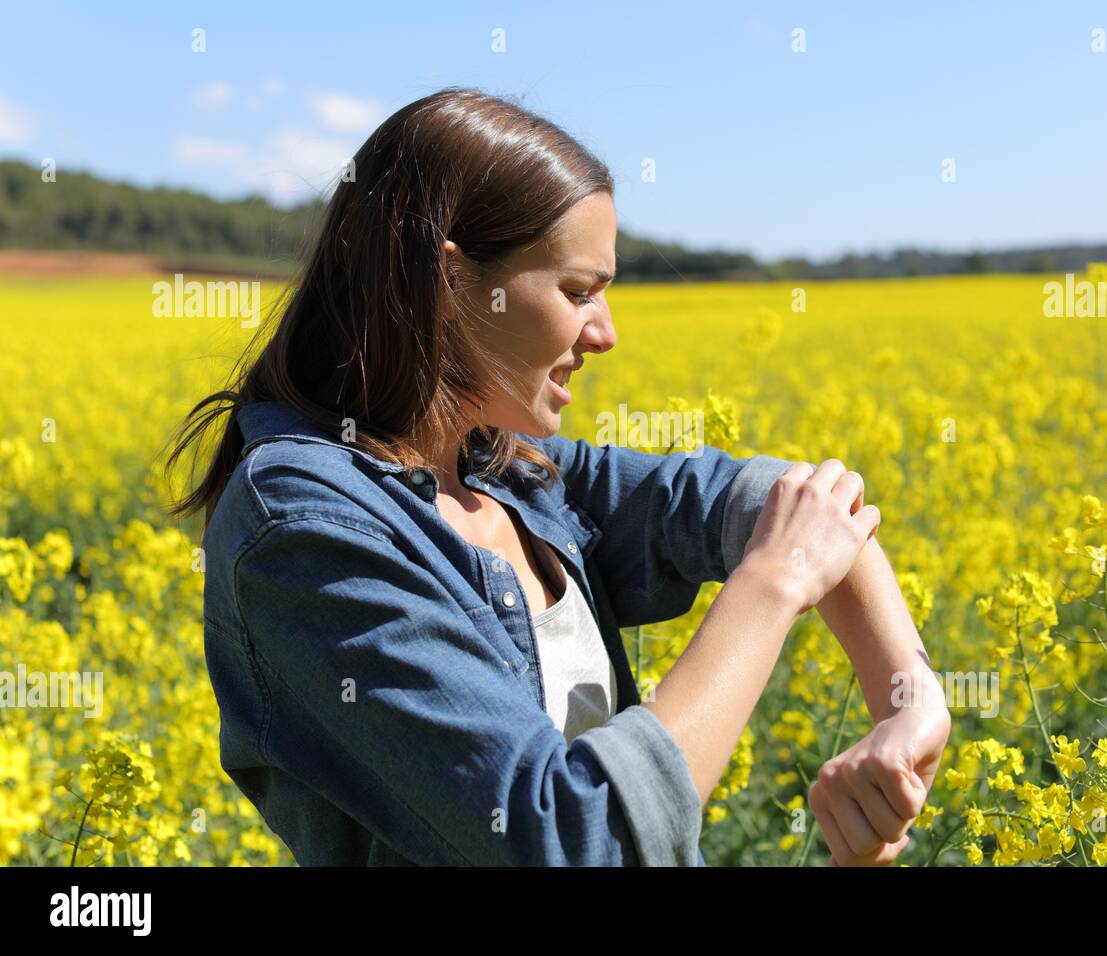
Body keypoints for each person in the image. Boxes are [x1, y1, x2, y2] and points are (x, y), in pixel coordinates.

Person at [165, 86, 950, 866]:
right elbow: (573, 840)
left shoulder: (507, 471)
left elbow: (800, 506)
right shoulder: (303, 529)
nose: (606, 333)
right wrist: (775, 584)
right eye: (578, 292)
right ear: (448, 282)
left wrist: (910, 708)